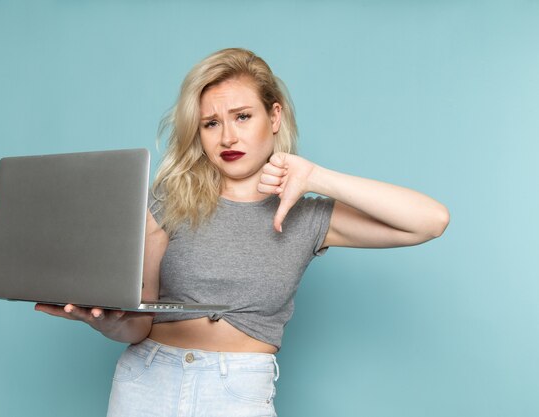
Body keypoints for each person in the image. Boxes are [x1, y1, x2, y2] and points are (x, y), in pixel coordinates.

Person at [35, 48, 450, 416]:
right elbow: (138, 323)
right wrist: (106, 323)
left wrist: (317, 177)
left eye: (242, 117)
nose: (227, 137)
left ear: (274, 116)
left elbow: (431, 221)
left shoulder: (308, 217)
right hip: (147, 380)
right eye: (211, 123)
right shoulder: (169, 199)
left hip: (236, 391)